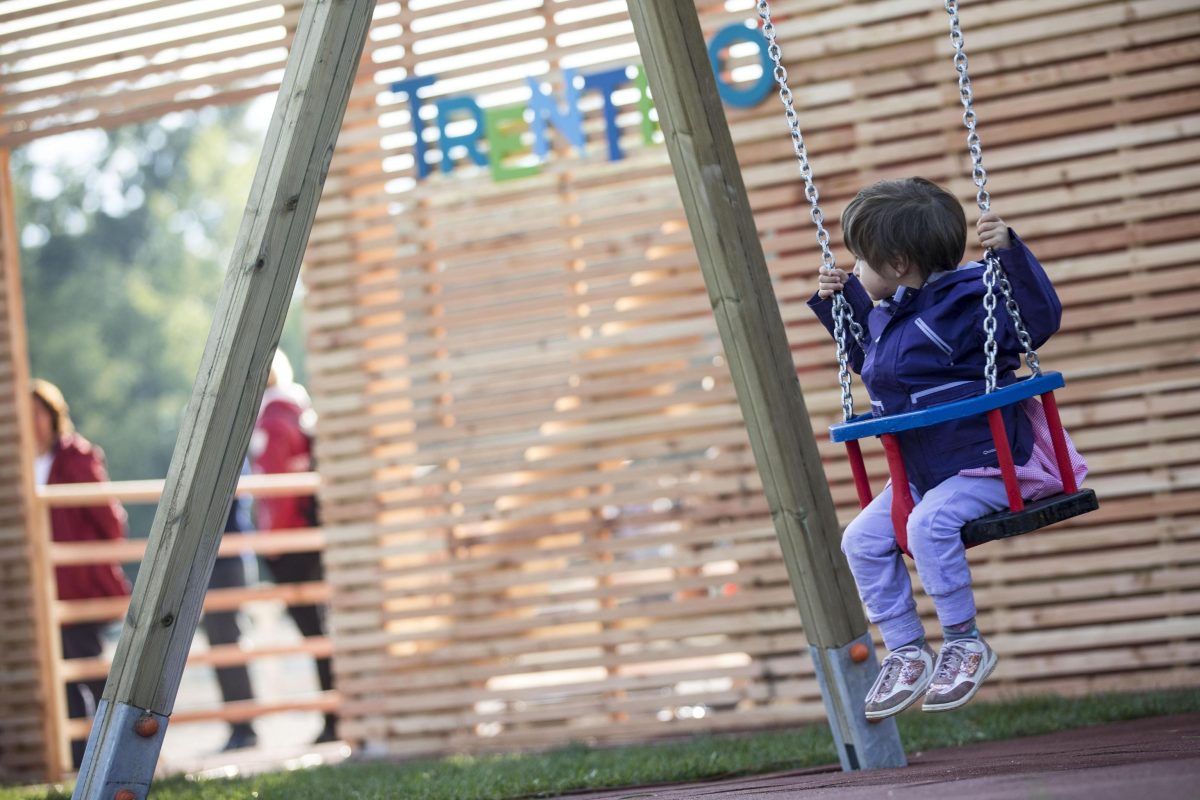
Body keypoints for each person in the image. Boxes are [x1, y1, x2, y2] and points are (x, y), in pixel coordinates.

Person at [807, 177, 1087, 719]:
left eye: (860, 261)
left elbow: (1036, 321)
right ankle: (907, 650)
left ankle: (963, 641)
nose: (854, 269)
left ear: (897, 264)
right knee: (860, 540)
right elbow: (875, 364)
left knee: (925, 525)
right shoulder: (890, 314)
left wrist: (1012, 255)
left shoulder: (969, 302)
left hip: (991, 466)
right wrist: (841, 303)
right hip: (927, 472)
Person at [31, 379, 131, 768]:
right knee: (64, 680)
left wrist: (85, 558)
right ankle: (79, 763)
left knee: (88, 669)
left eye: (39, 414)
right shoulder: (23, 463)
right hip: (45, 588)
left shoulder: (75, 456)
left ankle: (125, 749)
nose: (33, 422)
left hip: (78, 585)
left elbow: (109, 520)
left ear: (54, 417)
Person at [249, 349, 336, 744]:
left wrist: (272, 544)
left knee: (315, 632)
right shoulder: (299, 410)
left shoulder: (271, 422)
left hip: (291, 540)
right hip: (311, 533)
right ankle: (337, 714)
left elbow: (275, 494)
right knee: (322, 629)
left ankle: (334, 717)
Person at [201, 475, 259, 752]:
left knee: (226, 642)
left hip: (227, 560)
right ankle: (240, 726)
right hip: (218, 561)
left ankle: (244, 727)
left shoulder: (226, 456)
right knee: (219, 642)